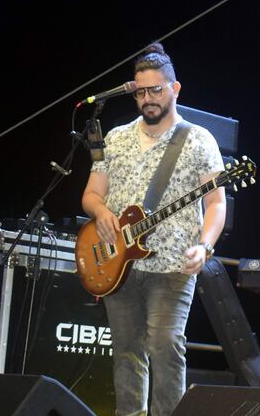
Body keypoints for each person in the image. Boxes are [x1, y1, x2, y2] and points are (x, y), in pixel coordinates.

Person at [81, 42, 226, 415]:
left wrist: (205, 246)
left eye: (156, 90)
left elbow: (216, 204)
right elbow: (92, 195)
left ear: (174, 89)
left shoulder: (198, 140)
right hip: (118, 265)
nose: (148, 98)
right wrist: (100, 214)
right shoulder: (116, 138)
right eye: (141, 91)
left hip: (173, 267)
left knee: (165, 345)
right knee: (126, 354)